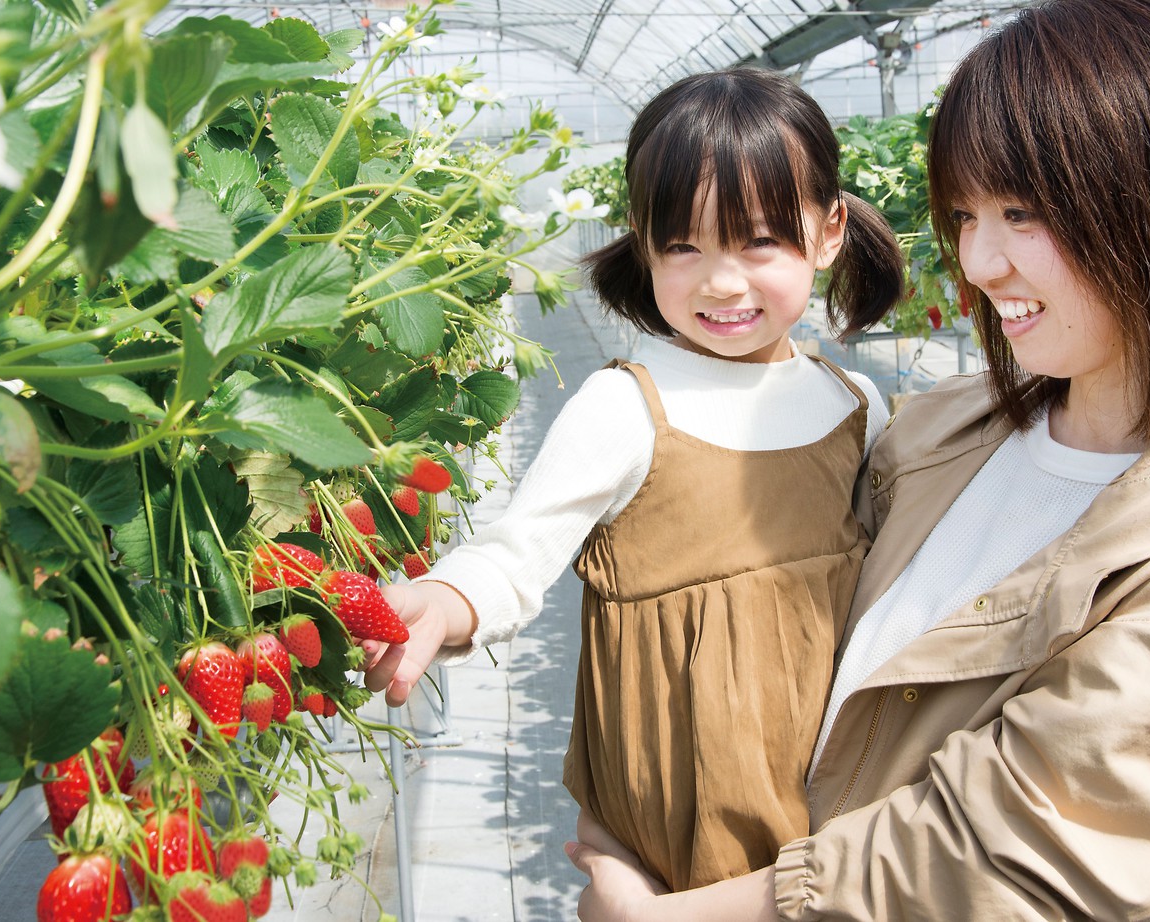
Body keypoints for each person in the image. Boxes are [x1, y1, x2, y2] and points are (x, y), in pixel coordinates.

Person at [562, 2, 1150, 919]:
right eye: (964, 213)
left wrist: (659, 916)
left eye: (1023, 212)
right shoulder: (938, 433)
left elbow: (996, 857)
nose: (978, 259)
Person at [362, 68, 904, 890]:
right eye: (684, 246)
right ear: (643, 242)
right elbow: (518, 550)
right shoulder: (625, 407)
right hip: (681, 796)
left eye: (759, 241)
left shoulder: (854, 404)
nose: (721, 281)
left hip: (827, 783)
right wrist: (446, 600)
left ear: (828, 232)